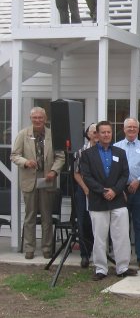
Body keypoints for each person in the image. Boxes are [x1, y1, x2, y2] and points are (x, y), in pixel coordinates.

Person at [80, 121, 137, 280]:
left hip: (117, 199)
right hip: (98, 201)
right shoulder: (87, 154)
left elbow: (124, 174)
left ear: (112, 134)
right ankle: (100, 269)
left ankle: (123, 267)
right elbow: (87, 177)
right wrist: (103, 191)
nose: (106, 135)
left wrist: (115, 190)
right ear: (97, 135)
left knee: (121, 235)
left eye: (109, 132)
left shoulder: (119, 152)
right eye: (103, 132)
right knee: (99, 236)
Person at [10, 107, 65, 259]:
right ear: (31, 118)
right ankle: (29, 248)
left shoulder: (52, 134)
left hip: (46, 178)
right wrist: (26, 162)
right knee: (30, 216)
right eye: (35, 118)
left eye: (40, 117)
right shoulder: (23, 134)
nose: (38, 120)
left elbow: (60, 156)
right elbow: (14, 155)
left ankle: (47, 248)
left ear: (45, 118)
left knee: (47, 216)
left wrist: (54, 172)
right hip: (29, 179)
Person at [114, 118, 140, 270]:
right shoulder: (116, 147)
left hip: (139, 191)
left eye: (134, 127)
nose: (131, 129)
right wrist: (119, 188)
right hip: (121, 192)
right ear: (124, 129)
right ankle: (123, 258)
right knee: (121, 227)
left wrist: (138, 181)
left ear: (138, 129)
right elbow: (113, 171)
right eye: (128, 127)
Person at [73, 123, 98, 268]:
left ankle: (99, 253)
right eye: (92, 132)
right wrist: (85, 188)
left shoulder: (104, 151)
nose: (95, 134)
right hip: (84, 191)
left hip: (99, 191)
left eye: (97, 132)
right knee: (83, 222)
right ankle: (84, 254)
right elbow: (76, 173)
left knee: (98, 223)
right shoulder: (81, 151)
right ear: (88, 134)